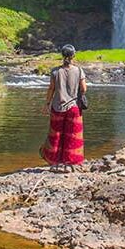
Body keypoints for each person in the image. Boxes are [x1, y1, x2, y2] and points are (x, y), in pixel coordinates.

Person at [40, 44, 87, 172]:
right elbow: (84, 88)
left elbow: (51, 89)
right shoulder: (79, 70)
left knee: (56, 135)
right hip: (74, 108)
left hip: (57, 107)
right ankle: (70, 164)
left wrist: (47, 104)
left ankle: (55, 163)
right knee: (72, 136)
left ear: (62, 55)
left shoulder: (55, 71)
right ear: (73, 55)